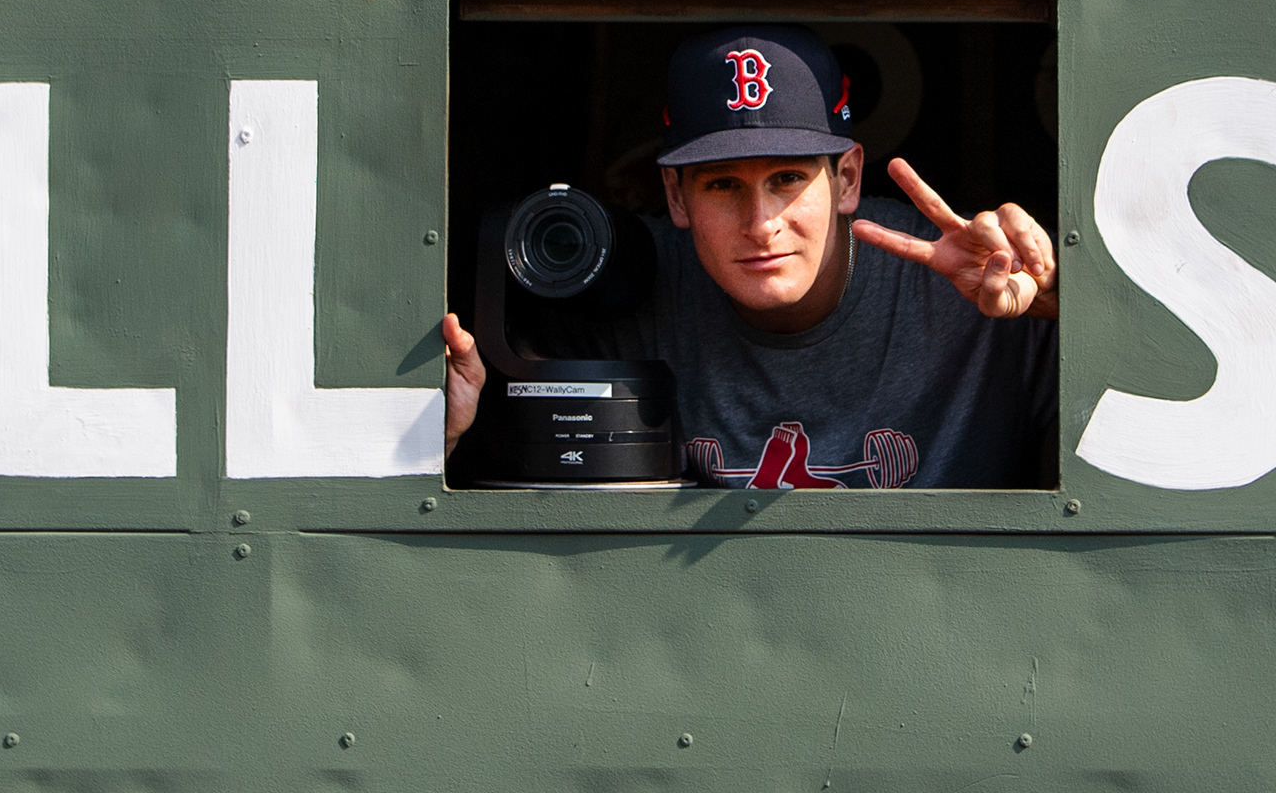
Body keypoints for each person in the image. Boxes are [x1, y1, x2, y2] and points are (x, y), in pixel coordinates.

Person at [439, 26, 1058, 488]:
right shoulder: (626, 294)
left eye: (788, 178)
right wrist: (448, 435)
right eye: (722, 184)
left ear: (847, 179)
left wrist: (1058, 299)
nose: (762, 224)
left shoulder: (966, 286)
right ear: (675, 197)